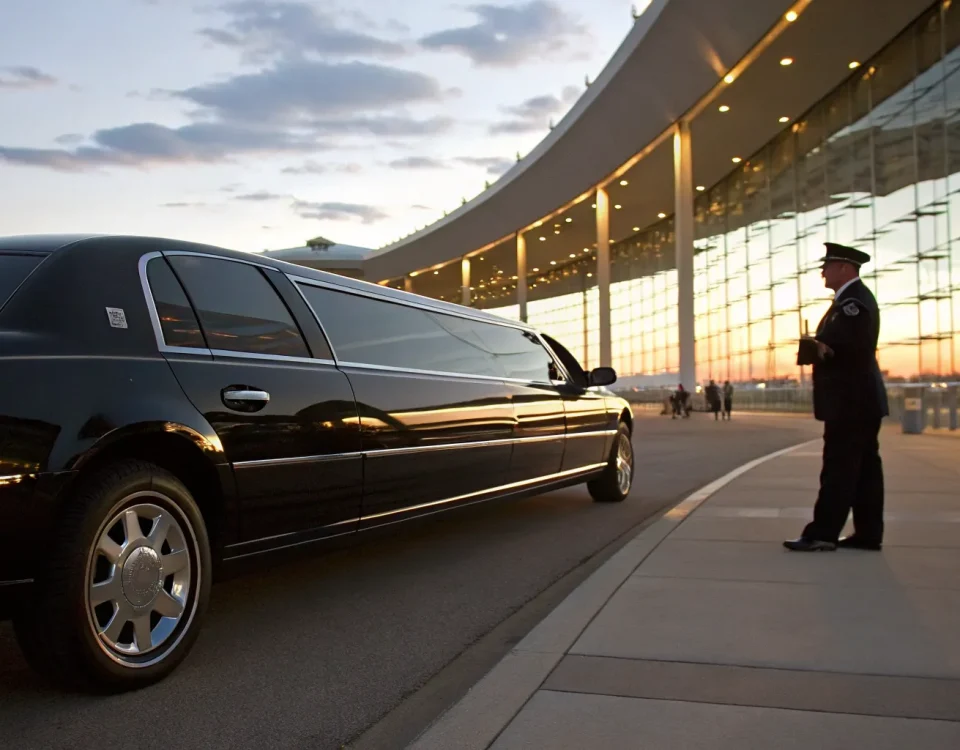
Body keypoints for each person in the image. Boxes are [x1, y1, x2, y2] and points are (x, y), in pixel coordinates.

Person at [784, 242, 889, 552]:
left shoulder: (853, 303)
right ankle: (868, 534)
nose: (822, 272)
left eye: (827, 266)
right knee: (865, 471)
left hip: (850, 402)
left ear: (844, 268)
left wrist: (818, 347)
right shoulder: (851, 301)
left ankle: (822, 533)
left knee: (839, 468)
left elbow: (849, 348)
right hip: (859, 401)